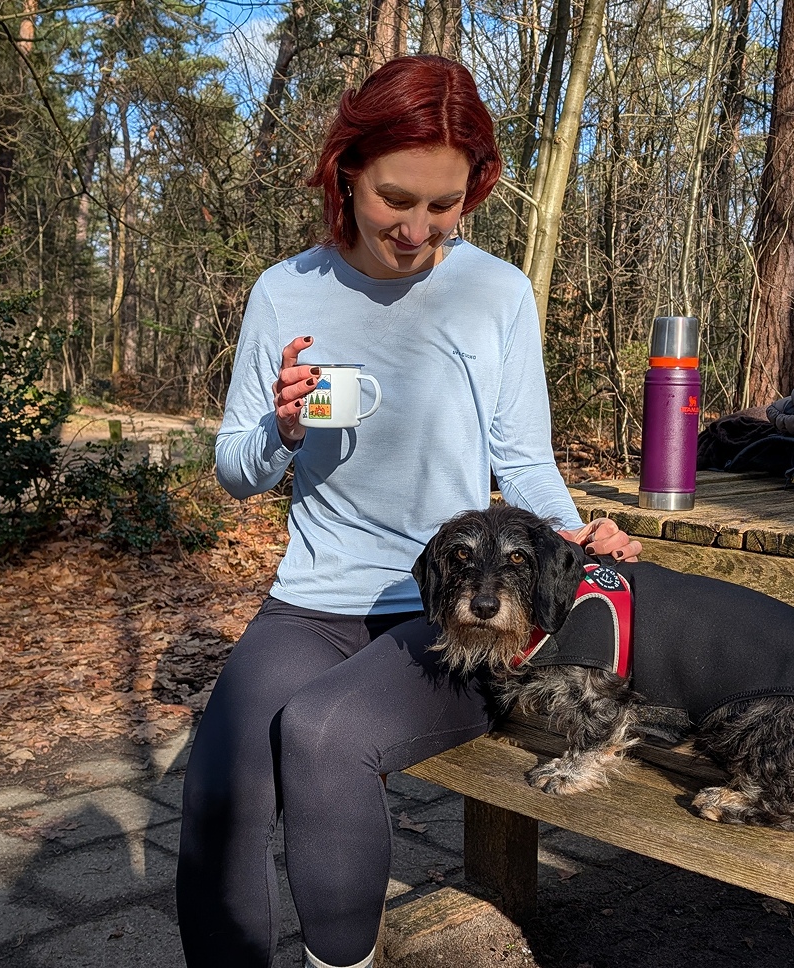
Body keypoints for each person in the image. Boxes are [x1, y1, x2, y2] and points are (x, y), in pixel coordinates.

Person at [175, 55, 642, 968]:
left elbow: (520, 455)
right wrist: (280, 428)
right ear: (347, 171)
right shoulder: (286, 291)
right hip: (311, 603)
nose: (419, 228)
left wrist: (578, 527)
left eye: (445, 205)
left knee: (324, 735)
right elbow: (236, 471)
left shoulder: (495, 292)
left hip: (445, 619)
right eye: (397, 198)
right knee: (220, 785)